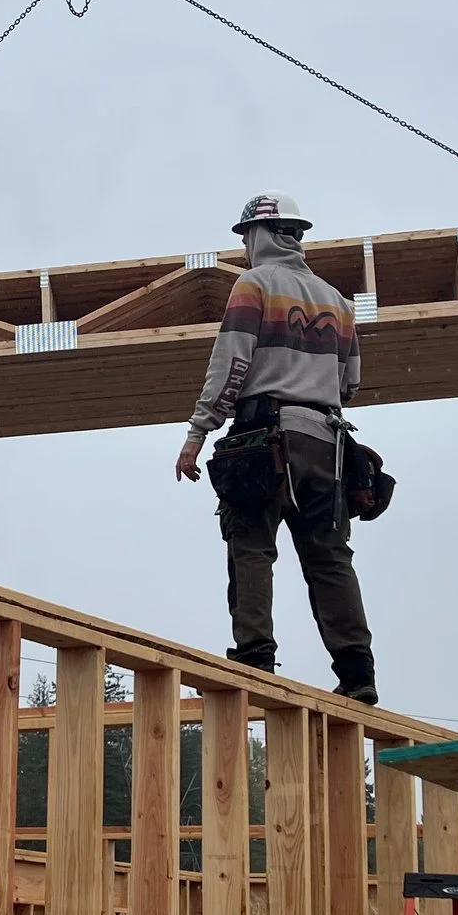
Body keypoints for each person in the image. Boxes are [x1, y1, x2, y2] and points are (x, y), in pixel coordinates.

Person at [174, 191, 379, 704]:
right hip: (327, 444)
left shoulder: (254, 285)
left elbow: (231, 364)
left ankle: (254, 660)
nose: (246, 246)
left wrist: (199, 432)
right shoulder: (338, 301)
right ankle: (358, 675)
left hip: (265, 439)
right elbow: (349, 383)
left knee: (251, 547)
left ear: (259, 235)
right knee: (330, 560)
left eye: (247, 236)